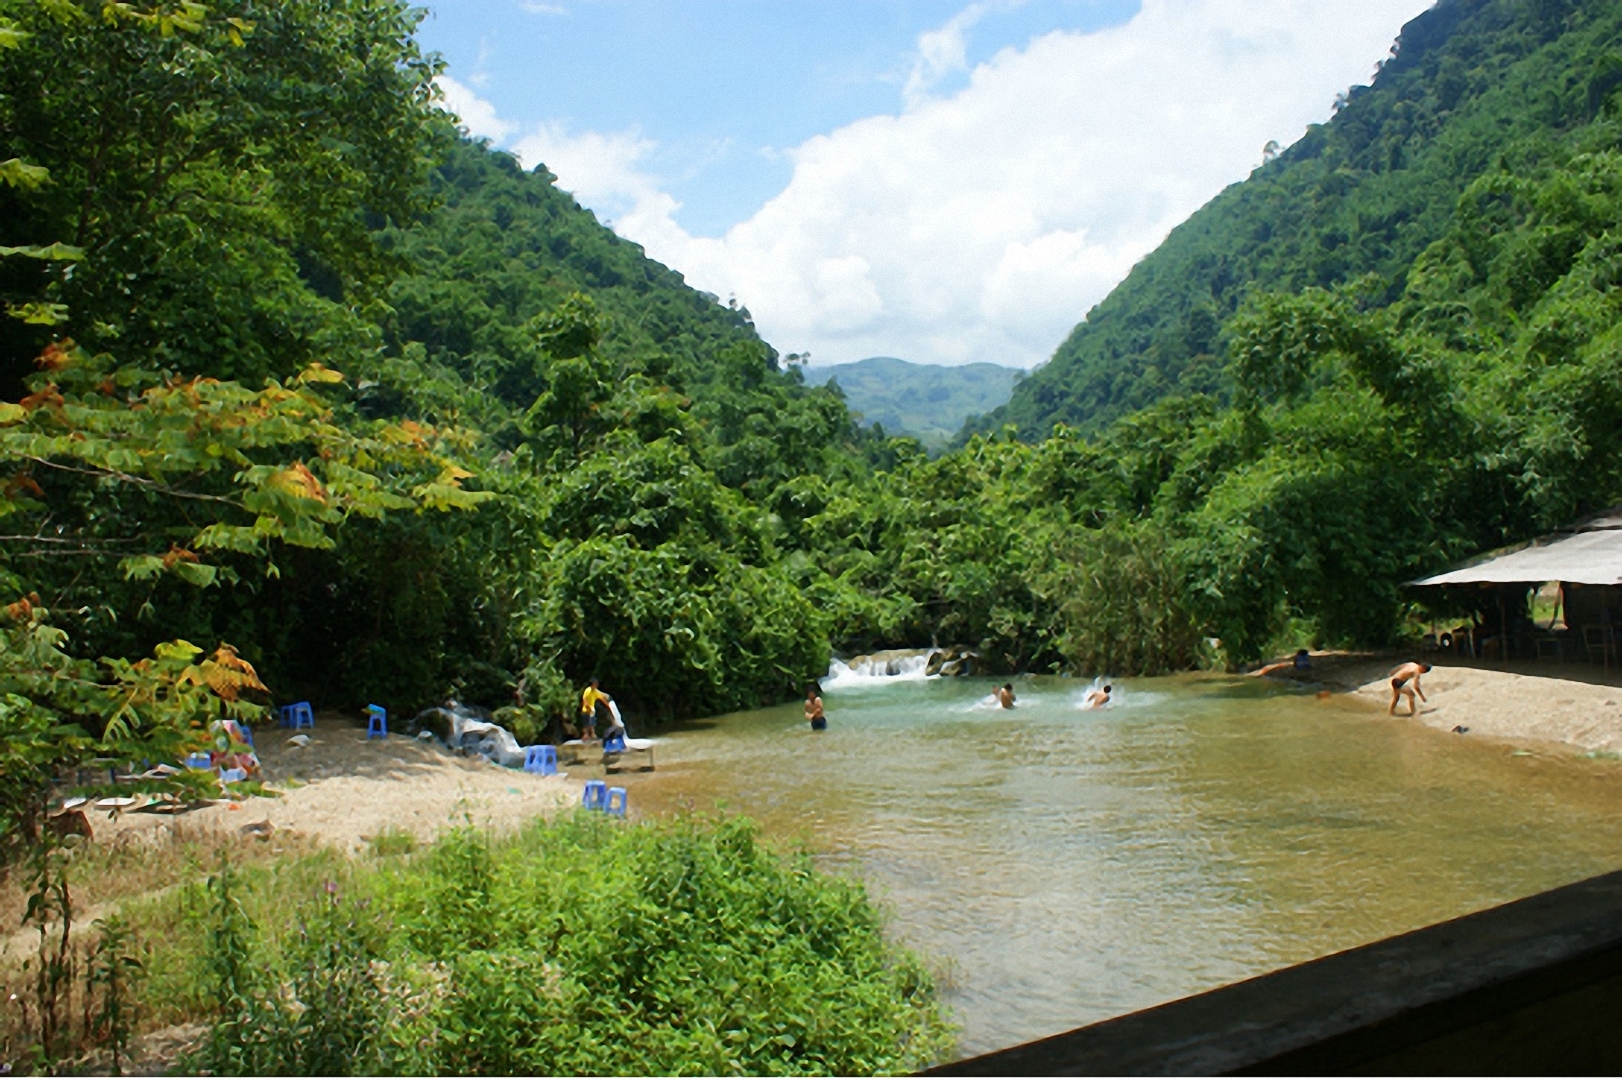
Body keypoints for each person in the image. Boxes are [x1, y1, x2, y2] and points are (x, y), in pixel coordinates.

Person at [579, 678, 614, 742]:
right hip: (586, 709)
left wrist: (609, 706)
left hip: (592, 710)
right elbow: (584, 699)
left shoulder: (595, 691)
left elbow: (602, 699)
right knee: (586, 723)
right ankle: (586, 734)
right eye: (595, 684)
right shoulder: (588, 690)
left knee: (592, 722)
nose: (596, 685)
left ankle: (592, 734)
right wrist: (588, 706)